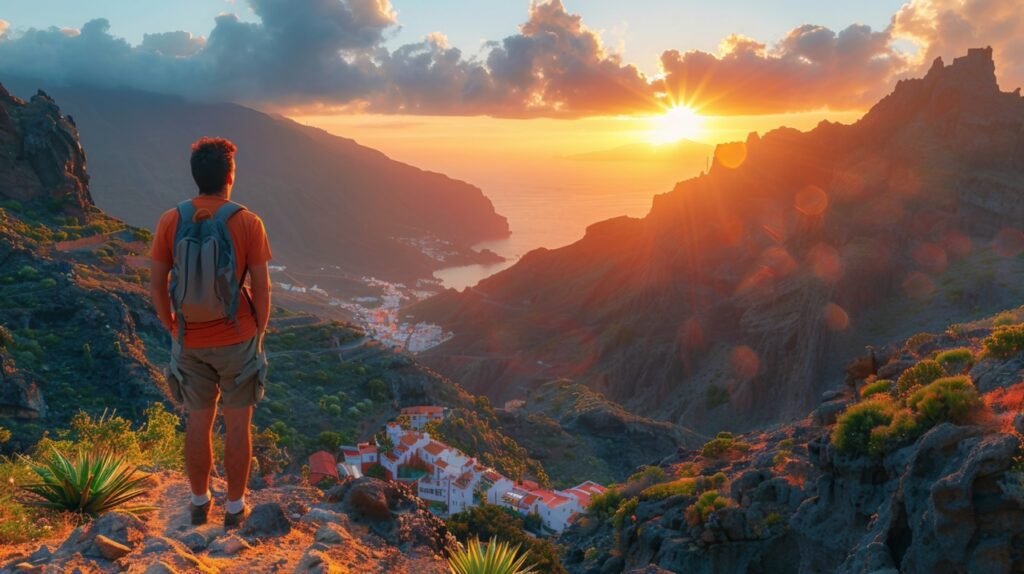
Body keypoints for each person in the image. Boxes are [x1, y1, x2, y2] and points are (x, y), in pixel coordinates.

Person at [149, 137, 272, 528]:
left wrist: (171, 324)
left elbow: (156, 284)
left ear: (195, 176)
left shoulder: (172, 220)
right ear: (230, 176)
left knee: (197, 422)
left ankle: (199, 504)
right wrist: (259, 333)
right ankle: (235, 510)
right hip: (238, 338)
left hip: (190, 340)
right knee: (238, 425)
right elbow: (263, 287)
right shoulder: (247, 222)